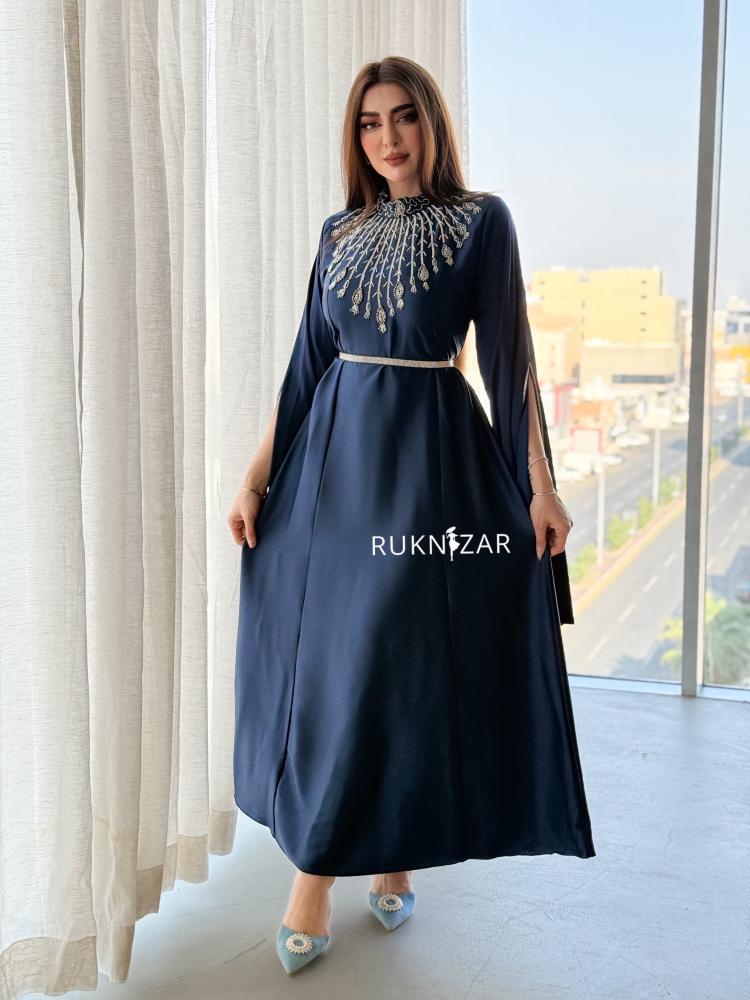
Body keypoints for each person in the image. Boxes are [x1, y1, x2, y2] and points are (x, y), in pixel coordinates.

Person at [227, 55, 595, 974]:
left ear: (432, 121)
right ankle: (357, 859)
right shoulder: (338, 230)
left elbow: (510, 362)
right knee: (341, 666)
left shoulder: (482, 221)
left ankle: (339, 867)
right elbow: (306, 366)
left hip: (429, 469)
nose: (387, 138)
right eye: (369, 122)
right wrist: (256, 477)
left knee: (396, 663)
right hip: (331, 476)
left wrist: (540, 485)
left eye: (403, 117)